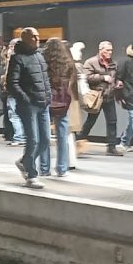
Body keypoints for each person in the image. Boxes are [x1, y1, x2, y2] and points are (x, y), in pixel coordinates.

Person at [6, 27, 49, 188]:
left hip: (43, 104)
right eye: (34, 37)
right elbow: (12, 83)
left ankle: (24, 162)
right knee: (33, 140)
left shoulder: (39, 56)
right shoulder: (17, 59)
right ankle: (32, 174)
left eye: (38, 37)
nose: (38, 40)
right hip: (29, 106)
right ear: (25, 39)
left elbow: (45, 80)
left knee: (44, 141)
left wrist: (48, 97)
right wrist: (26, 99)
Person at [77, 41, 123, 156]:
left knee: (112, 121)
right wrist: (102, 77)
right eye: (107, 50)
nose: (110, 52)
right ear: (100, 50)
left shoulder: (113, 63)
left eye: (111, 50)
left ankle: (111, 147)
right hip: (97, 97)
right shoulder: (91, 62)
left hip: (109, 96)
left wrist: (117, 83)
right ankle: (78, 142)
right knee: (90, 121)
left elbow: (114, 77)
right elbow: (86, 77)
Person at [42, 38, 77, 177]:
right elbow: (71, 83)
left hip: (46, 102)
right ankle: (62, 168)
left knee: (44, 136)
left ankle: (44, 169)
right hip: (63, 101)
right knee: (62, 136)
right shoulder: (68, 63)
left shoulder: (43, 62)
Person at [2, 38, 25, 148]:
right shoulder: (27, 58)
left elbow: (10, 77)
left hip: (13, 91)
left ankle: (19, 137)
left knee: (14, 115)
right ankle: (24, 136)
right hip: (24, 91)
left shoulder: (13, 60)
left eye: (11, 46)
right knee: (22, 114)